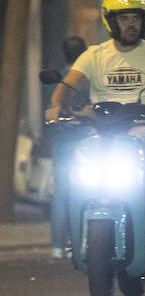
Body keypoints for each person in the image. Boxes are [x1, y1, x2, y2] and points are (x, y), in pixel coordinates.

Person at [45, 0, 145, 256]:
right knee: (79, 165)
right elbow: (69, 83)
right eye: (124, 18)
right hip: (102, 128)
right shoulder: (95, 55)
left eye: (136, 18)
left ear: (144, 21)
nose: (131, 24)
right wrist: (56, 106)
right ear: (111, 21)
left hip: (144, 125)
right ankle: (75, 232)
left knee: (143, 158)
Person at [46, 35, 88, 258]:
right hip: (89, 141)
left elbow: (49, 110)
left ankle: (57, 246)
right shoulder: (89, 78)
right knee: (88, 191)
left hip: (63, 142)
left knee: (62, 194)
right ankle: (78, 241)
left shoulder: (57, 78)